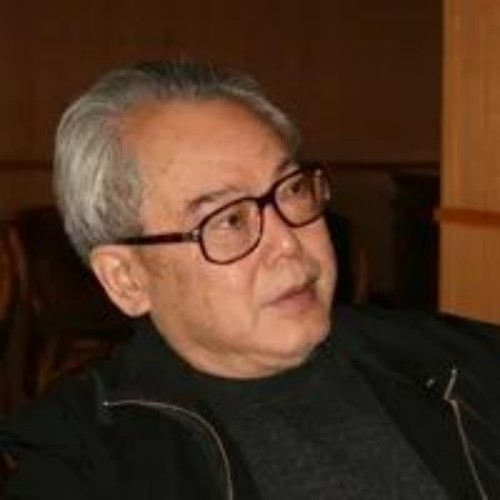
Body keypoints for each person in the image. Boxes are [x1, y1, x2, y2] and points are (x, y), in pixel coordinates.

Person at [1, 59, 500, 500]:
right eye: (229, 220)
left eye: (292, 190)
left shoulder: (461, 367)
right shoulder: (85, 469)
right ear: (126, 279)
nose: (288, 242)